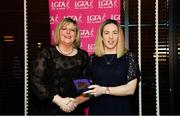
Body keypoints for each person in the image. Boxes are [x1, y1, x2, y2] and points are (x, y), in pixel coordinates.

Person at [30, 17, 89, 115]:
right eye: (64, 29)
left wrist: (74, 102)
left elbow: (84, 86)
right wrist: (59, 101)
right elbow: (36, 81)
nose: (68, 32)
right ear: (58, 32)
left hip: (74, 109)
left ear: (76, 35)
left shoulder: (82, 56)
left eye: (72, 30)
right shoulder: (47, 53)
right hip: (49, 110)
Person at [81, 19, 141, 115]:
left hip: (121, 110)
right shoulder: (92, 59)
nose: (111, 37)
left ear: (119, 36)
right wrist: (74, 101)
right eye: (106, 33)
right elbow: (86, 88)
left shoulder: (129, 57)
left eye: (115, 33)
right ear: (101, 36)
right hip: (97, 110)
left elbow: (130, 89)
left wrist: (104, 90)